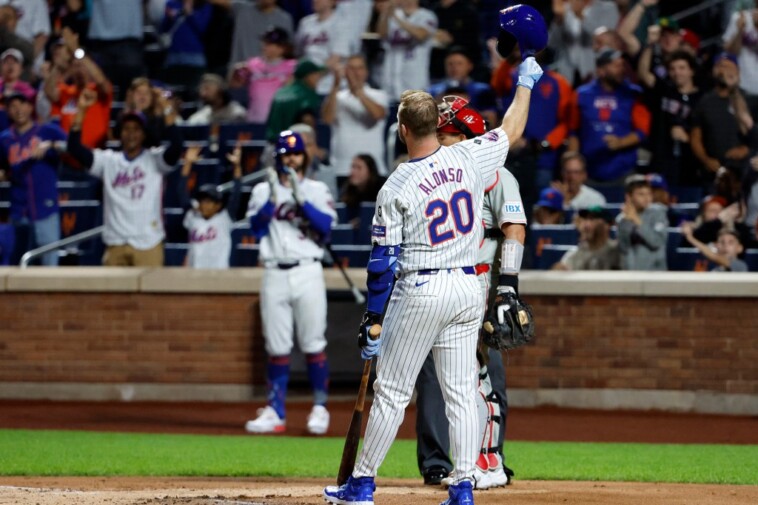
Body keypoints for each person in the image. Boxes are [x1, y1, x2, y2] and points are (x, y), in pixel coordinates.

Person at [322, 50, 543, 505]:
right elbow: (513, 127)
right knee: (462, 392)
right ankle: (464, 486)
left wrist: (372, 318)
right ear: (432, 125)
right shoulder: (468, 156)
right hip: (468, 287)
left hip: (421, 286)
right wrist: (526, 82)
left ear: (403, 129)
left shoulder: (397, 186)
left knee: (393, 392)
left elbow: (383, 263)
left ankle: (362, 483)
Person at [415, 98, 523, 490]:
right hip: (441, 283)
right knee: (451, 380)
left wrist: (507, 286)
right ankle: (457, 463)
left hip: (479, 284)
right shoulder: (435, 176)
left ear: (461, 136)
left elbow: (514, 229)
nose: (436, 139)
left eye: (442, 133)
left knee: (480, 376)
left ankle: (490, 461)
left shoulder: (495, 174)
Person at [244, 130, 337, 435]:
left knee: (313, 343)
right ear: (278, 158)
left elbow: (325, 229)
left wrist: (301, 199)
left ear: (305, 157)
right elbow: (256, 229)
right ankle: (276, 411)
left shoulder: (317, 188)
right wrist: (273, 199)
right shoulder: (262, 190)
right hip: (274, 271)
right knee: (277, 346)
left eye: (296, 154)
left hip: (307, 270)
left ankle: (320, 408)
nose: (292, 159)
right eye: (286, 154)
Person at [66, 88, 183, 266]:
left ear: (144, 134)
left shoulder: (154, 159)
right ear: (119, 134)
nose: (131, 134)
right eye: (126, 129)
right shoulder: (108, 161)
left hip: (148, 242)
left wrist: (166, 109)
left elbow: (176, 147)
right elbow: (74, 148)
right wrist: (81, 110)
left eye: (136, 129)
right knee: (112, 295)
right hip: (116, 243)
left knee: (150, 293)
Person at [0, 90, 67, 266]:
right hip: (19, 210)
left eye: (22, 104)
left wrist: (51, 145)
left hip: (45, 208)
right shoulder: (5, 139)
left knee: (49, 265)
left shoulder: (47, 131)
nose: (18, 109)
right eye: (12, 106)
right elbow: (4, 169)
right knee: (17, 267)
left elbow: (73, 148)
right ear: (8, 111)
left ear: (30, 107)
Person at [568, 48, 651, 183]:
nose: (621, 69)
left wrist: (620, 142)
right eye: (616, 65)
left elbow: (642, 131)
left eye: (622, 65)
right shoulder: (581, 95)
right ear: (601, 70)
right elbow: (573, 131)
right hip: (589, 171)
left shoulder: (633, 94)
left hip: (624, 170)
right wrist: (572, 163)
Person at [637, 47, 702, 187]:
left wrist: (688, 137)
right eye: (672, 69)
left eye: (682, 68)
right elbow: (643, 74)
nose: (677, 72)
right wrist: (650, 45)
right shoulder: (664, 90)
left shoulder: (702, 98)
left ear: (692, 71)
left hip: (691, 164)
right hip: (662, 161)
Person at [690, 53, 755, 188]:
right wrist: (706, 160)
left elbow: (753, 129)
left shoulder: (751, 100)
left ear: (737, 70)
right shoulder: (704, 101)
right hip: (713, 172)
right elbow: (696, 136)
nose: (723, 70)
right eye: (719, 66)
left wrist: (748, 149)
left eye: (728, 66)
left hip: (744, 170)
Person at [322, 54, 389, 180]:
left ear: (366, 72)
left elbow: (378, 114)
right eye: (351, 68)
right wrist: (335, 84)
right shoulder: (337, 97)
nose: (355, 73)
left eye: (359, 68)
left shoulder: (379, 95)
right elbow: (327, 119)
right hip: (341, 168)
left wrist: (357, 91)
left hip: (373, 168)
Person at [178, 144, 242, 269]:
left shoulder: (225, 218)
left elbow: (237, 192)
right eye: (202, 201)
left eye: (209, 201)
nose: (204, 204)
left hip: (219, 275)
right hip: (194, 274)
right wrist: (187, 163)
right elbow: (181, 191)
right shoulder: (192, 216)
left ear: (218, 205)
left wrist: (237, 166)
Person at [229, 27, 296, 124]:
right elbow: (234, 85)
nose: (264, 46)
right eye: (264, 42)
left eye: (269, 44)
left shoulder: (292, 66)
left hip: (280, 122)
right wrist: (236, 72)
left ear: (282, 48)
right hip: (255, 120)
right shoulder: (252, 64)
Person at [377, 0, 438, 101]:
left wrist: (396, 18)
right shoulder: (394, 13)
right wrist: (385, 14)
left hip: (415, 80)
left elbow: (421, 34)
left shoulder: (427, 15)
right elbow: (382, 34)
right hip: (390, 79)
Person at [213, 0, 294, 67]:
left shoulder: (285, 19)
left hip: (270, 76)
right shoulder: (242, 9)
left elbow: (288, 50)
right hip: (240, 72)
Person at [295, 0, 351, 95]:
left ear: (333, 2)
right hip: (306, 85)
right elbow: (299, 53)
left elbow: (336, 58)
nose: (315, 1)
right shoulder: (305, 23)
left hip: (330, 86)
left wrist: (315, 74)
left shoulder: (342, 24)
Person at [616, 174, 668, 271]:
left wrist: (637, 221)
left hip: (655, 274)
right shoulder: (622, 219)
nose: (646, 198)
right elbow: (623, 248)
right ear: (629, 197)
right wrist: (626, 222)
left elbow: (657, 242)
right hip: (630, 273)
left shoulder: (658, 213)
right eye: (641, 194)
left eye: (648, 194)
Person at [265, 59, 325, 142]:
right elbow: (307, 120)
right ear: (308, 76)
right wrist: (313, 144)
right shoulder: (307, 93)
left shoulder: (280, 91)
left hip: (272, 145)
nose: (319, 78)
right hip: (292, 146)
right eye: (316, 74)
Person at [552, 206, 620, 270]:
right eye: (584, 219)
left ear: (607, 225)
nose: (585, 225)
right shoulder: (574, 255)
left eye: (592, 219)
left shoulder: (618, 252)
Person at [340, 153, 384, 229]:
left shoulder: (383, 188)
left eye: (359, 168)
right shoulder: (347, 189)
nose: (353, 172)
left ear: (370, 171)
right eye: (353, 167)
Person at [681, 225, 749, 272]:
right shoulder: (710, 267)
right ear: (716, 245)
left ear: (739, 248)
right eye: (722, 242)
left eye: (730, 242)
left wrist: (690, 237)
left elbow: (715, 257)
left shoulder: (740, 265)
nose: (725, 245)